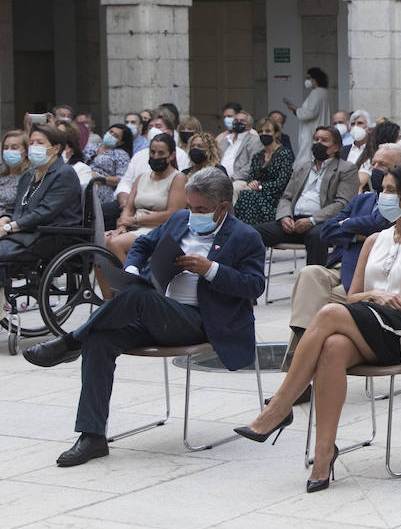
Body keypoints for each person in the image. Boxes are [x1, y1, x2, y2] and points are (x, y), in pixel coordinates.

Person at [27, 168, 265, 467]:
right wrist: (131, 270)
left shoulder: (246, 236)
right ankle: (92, 436)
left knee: (139, 297)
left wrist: (210, 270)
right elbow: (141, 245)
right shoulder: (180, 220)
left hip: (204, 322)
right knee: (101, 338)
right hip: (161, 312)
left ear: (222, 208)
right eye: (190, 207)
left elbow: (255, 285)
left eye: (201, 209)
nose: (193, 214)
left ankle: (70, 342)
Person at [234, 164, 401, 491]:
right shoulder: (375, 240)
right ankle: (324, 454)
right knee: (333, 347)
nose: (383, 196)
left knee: (330, 313)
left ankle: (280, 407)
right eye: (383, 189)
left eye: (392, 191)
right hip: (373, 320)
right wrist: (375, 296)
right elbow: (354, 295)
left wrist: (378, 299)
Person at [281, 142, 401, 380]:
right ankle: (302, 351)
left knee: (315, 301)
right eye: (374, 163)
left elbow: (382, 222)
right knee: (310, 274)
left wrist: (348, 226)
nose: (375, 169)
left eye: (382, 165)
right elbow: (327, 230)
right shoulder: (362, 200)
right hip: (340, 266)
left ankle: (296, 371)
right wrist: (356, 232)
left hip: (367, 278)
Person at [254, 125, 358, 265]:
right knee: (252, 233)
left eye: (324, 140)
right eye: (316, 139)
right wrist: (285, 217)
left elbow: (343, 203)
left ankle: (313, 281)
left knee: (317, 236)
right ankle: (251, 278)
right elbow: (287, 197)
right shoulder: (301, 167)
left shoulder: (346, 169)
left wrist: (311, 220)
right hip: (293, 223)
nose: (318, 143)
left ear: (337, 147)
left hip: (322, 222)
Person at [0, 124, 81, 289]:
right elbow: (14, 207)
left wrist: (9, 227)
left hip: (51, 234)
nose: (33, 147)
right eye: (31, 143)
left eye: (39, 143)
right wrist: (4, 220)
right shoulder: (30, 174)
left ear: (56, 148)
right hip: (26, 232)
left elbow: (45, 212)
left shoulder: (64, 174)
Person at [105, 134, 187, 265]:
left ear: (171, 155)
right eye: (152, 152)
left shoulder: (178, 178)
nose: (155, 157)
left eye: (161, 153)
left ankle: (130, 283)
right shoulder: (141, 177)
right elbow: (129, 207)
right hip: (134, 227)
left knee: (115, 244)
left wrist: (135, 220)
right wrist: (122, 226)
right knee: (102, 242)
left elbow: (173, 214)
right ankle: (109, 285)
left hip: (158, 230)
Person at [232, 117, 296, 226]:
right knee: (245, 194)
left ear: (276, 133)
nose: (263, 134)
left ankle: (247, 231)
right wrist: (252, 185)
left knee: (247, 195)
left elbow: (282, 183)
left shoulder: (285, 154)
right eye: (260, 132)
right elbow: (251, 177)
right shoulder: (257, 155)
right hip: (255, 194)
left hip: (274, 197)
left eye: (267, 131)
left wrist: (260, 186)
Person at [85, 123, 132, 223]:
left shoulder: (120, 154)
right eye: (111, 132)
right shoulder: (90, 147)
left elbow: (122, 178)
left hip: (103, 188)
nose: (111, 135)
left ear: (121, 142)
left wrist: (100, 178)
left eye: (116, 136)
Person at [284, 67, 330, 153]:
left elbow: (310, 113)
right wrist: (297, 111)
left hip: (311, 131)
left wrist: (295, 108)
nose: (307, 81)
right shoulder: (323, 92)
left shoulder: (316, 93)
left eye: (308, 78)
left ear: (314, 79)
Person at [0, 130, 30, 217]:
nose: (9, 151)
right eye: (5, 148)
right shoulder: (1, 173)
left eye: (14, 148)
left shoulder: (30, 177)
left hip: (7, 222)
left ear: (26, 151)